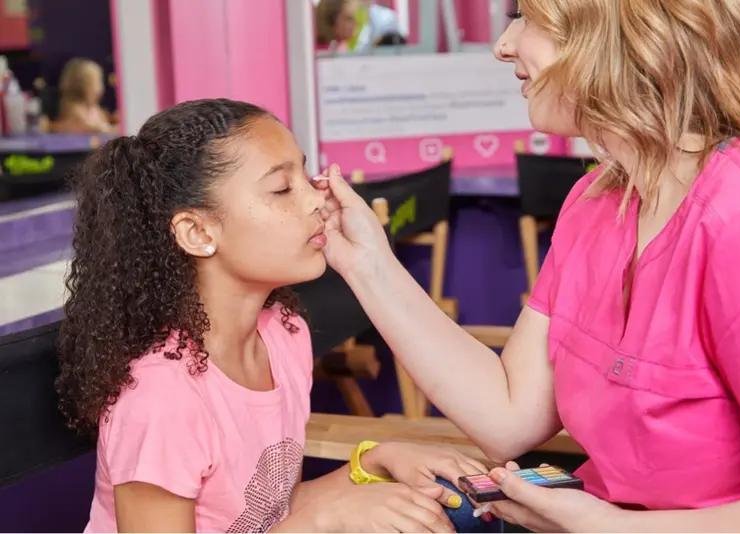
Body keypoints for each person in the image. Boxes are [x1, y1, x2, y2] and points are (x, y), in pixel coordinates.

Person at [313, 0, 740, 530]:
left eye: (526, 18)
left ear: (616, 31)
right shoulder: (596, 200)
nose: (504, 46)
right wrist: (368, 265)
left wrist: (609, 526)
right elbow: (508, 414)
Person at [55, 99, 487, 533]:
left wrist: (373, 463)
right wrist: (322, 522)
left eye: (306, 175)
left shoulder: (284, 334)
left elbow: (265, 510)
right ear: (198, 232)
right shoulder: (162, 396)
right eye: (282, 189)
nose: (317, 199)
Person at [51, 58, 116, 134]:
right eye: (96, 83)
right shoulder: (74, 109)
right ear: (81, 86)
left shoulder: (94, 108)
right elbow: (85, 127)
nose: (101, 88)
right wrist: (103, 128)